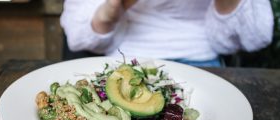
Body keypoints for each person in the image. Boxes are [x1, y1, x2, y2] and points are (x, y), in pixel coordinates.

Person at [60, 0, 274, 67]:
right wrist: (115, 5)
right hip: (126, 57)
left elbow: (254, 37)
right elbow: (79, 37)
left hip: (202, 59)